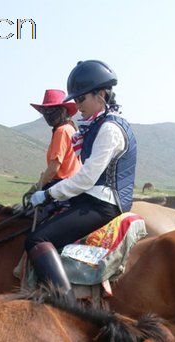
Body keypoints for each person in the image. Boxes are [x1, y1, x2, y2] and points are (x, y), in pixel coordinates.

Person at [26, 60, 137, 295]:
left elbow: (86, 178)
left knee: (36, 239)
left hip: (104, 205)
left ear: (102, 94)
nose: (77, 105)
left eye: (81, 99)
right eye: (75, 100)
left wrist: (47, 193)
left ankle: (66, 304)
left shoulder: (109, 129)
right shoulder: (98, 125)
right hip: (92, 199)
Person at [30, 89, 81, 190]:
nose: (48, 114)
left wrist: (38, 186)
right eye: (45, 111)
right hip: (72, 184)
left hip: (61, 185)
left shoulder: (61, 131)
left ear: (63, 111)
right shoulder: (70, 128)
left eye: (52, 111)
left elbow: (54, 167)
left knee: (31, 203)